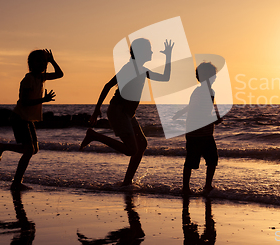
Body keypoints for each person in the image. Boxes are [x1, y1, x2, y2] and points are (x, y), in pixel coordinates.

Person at [80, 38, 173, 187]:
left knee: (141, 144)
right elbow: (107, 86)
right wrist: (97, 109)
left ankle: (127, 182)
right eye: (149, 50)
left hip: (128, 114)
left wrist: (168, 56)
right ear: (141, 52)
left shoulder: (142, 69)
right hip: (118, 111)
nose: (151, 52)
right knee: (131, 150)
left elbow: (165, 78)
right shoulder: (129, 68)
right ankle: (94, 135)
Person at [0, 49, 64, 191]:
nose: (42, 64)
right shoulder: (28, 79)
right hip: (19, 117)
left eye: (44, 62)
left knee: (34, 150)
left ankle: (3, 147)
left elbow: (60, 74)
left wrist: (52, 60)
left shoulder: (41, 78)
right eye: (39, 61)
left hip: (28, 119)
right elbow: (24, 101)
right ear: (31, 63)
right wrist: (43, 100)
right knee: (28, 150)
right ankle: (16, 182)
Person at [173, 62, 222, 196]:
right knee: (191, 161)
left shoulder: (210, 91)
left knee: (212, 159)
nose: (215, 78)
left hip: (206, 132)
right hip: (195, 132)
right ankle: (185, 188)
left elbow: (212, 106)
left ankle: (207, 186)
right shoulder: (199, 92)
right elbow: (193, 108)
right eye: (213, 76)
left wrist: (216, 116)